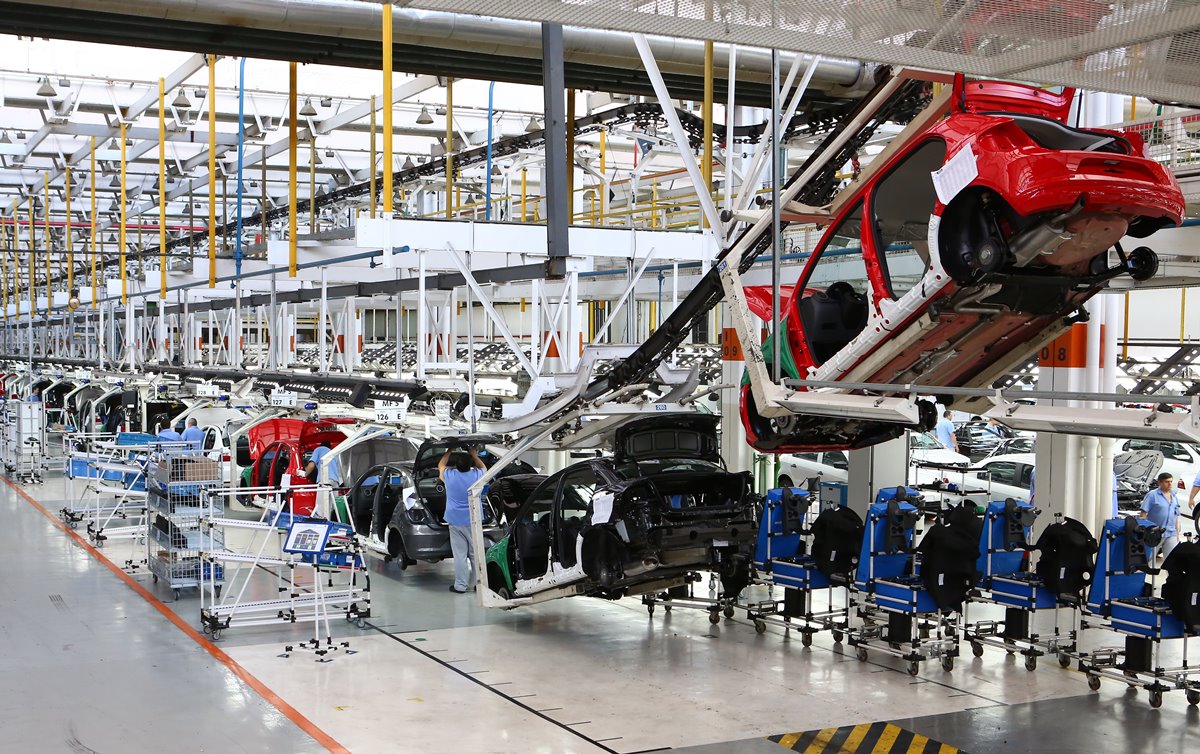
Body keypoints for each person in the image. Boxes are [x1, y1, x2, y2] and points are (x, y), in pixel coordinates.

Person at [439, 445, 486, 594]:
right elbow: (484, 467)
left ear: (456, 466)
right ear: (471, 465)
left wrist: (449, 450)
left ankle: (460, 586)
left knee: (460, 555)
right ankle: (479, 585)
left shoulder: (449, 475)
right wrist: (474, 455)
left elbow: (441, 465)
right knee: (475, 553)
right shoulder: (477, 475)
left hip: (455, 520)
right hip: (473, 519)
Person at [1141, 472, 1182, 560]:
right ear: (1159, 482)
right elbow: (1143, 515)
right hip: (1155, 533)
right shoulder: (1152, 495)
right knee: (1148, 558)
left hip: (1171, 533)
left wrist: (1177, 533)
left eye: (1171, 481)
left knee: (1171, 560)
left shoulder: (1174, 496)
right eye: (1167, 482)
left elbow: (1175, 515)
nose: (1170, 484)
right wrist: (1145, 532)